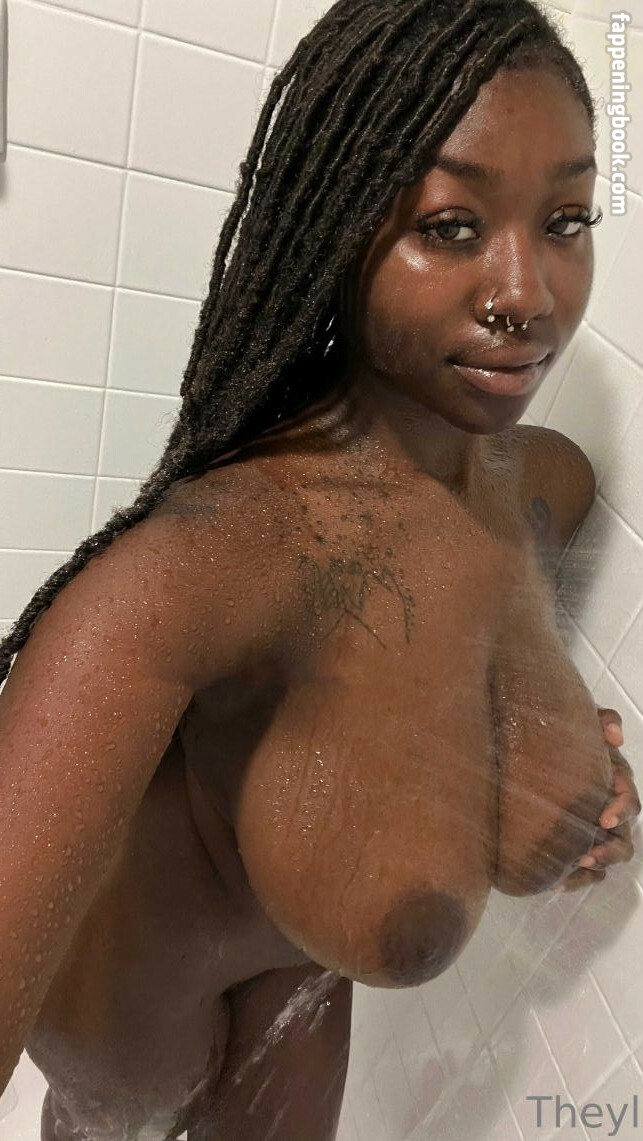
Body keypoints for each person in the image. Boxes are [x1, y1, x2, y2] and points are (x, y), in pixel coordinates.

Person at [0, 0, 640, 1137]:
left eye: (565, 219)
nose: (529, 294)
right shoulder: (202, 569)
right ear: (338, 231)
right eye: (451, 226)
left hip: (302, 969)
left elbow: (433, 649)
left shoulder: (542, 481)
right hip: (130, 1010)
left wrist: (549, 757)